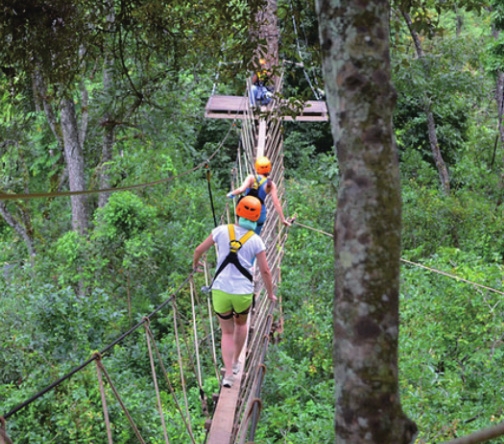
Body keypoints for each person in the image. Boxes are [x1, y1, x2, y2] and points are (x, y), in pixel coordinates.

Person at [193, 196, 277, 388]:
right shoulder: (256, 240)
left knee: (227, 332)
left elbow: (198, 250)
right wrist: (271, 293)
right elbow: (265, 271)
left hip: (220, 291)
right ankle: (237, 361)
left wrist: (195, 264)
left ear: (237, 211)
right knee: (240, 326)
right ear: (257, 219)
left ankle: (228, 374)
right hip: (242, 293)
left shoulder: (221, 230)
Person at [226, 156, 291, 235]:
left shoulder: (251, 178)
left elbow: (241, 190)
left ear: (256, 168)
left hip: (246, 212)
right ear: (269, 168)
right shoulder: (271, 184)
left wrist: (231, 194)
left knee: (241, 236)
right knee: (254, 238)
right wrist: (283, 219)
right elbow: (276, 203)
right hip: (259, 214)